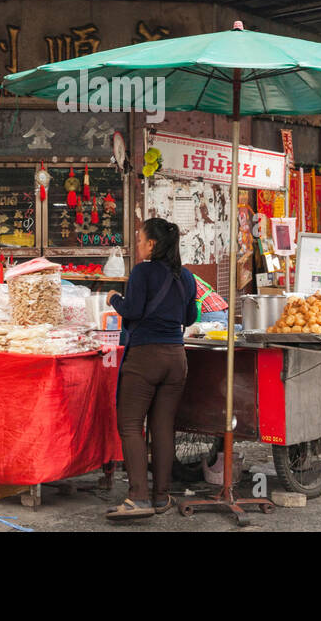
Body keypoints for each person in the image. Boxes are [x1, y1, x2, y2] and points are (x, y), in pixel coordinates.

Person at [105, 218, 198, 520]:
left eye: (141, 239)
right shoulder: (185, 277)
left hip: (146, 357)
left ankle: (138, 498)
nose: (138, 243)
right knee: (162, 428)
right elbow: (190, 315)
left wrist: (113, 298)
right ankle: (161, 496)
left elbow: (132, 310)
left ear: (152, 244)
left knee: (131, 425)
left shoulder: (142, 272)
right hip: (176, 358)